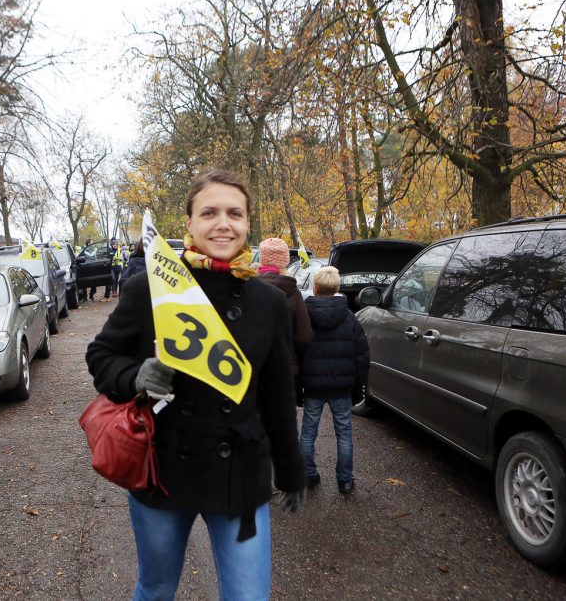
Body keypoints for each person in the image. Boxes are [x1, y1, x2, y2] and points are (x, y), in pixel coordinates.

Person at [86, 168, 306, 601]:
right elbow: (101, 357)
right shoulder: (150, 288)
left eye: (234, 213)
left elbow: (280, 395)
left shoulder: (270, 302)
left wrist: (292, 470)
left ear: (247, 224)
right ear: (188, 223)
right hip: (164, 468)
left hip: (240, 473)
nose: (223, 223)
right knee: (156, 588)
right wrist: (134, 376)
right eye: (209, 212)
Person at [297, 265, 370, 495]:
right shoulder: (349, 318)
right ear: (337, 288)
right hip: (341, 388)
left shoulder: (304, 317)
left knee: (308, 432)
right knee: (344, 433)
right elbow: (362, 356)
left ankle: (308, 475)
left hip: (313, 386)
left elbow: (296, 351)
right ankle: (345, 480)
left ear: (315, 288)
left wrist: (297, 385)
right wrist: (359, 388)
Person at [255, 237, 313, 375]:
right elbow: (304, 336)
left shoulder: (248, 288)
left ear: (261, 259)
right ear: (284, 261)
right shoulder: (291, 291)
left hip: (255, 370)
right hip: (286, 369)